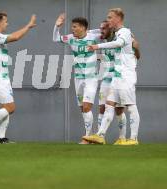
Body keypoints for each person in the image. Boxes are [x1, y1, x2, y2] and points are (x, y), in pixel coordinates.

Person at [0, 12, 36, 144]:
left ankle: (1, 138)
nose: (7, 23)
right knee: (11, 107)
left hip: (3, 77)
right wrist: (28, 26)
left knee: (6, 108)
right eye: (5, 21)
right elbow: (15, 37)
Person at [84, 8, 141, 145]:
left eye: (110, 17)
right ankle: (100, 135)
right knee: (109, 105)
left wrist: (97, 46)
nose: (108, 20)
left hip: (126, 75)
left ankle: (133, 139)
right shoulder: (117, 34)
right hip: (116, 75)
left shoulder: (125, 32)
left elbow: (120, 44)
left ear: (118, 18)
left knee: (130, 105)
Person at [53, 13, 101, 144]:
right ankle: (91, 136)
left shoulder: (93, 36)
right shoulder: (70, 38)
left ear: (83, 28)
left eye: (75, 27)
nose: (72, 29)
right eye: (72, 27)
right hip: (78, 78)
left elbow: (106, 32)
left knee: (86, 107)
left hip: (91, 78)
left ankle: (86, 137)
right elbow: (56, 38)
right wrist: (57, 26)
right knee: (82, 108)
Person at [97, 20, 141, 145]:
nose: (102, 31)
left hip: (121, 77)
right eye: (101, 29)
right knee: (103, 107)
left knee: (121, 109)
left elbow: (136, 53)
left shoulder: (124, 36)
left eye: (105, 28)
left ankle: (124, 137)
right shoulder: (104, 40)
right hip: (107, 79)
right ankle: (100, 135)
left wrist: (136, 48)